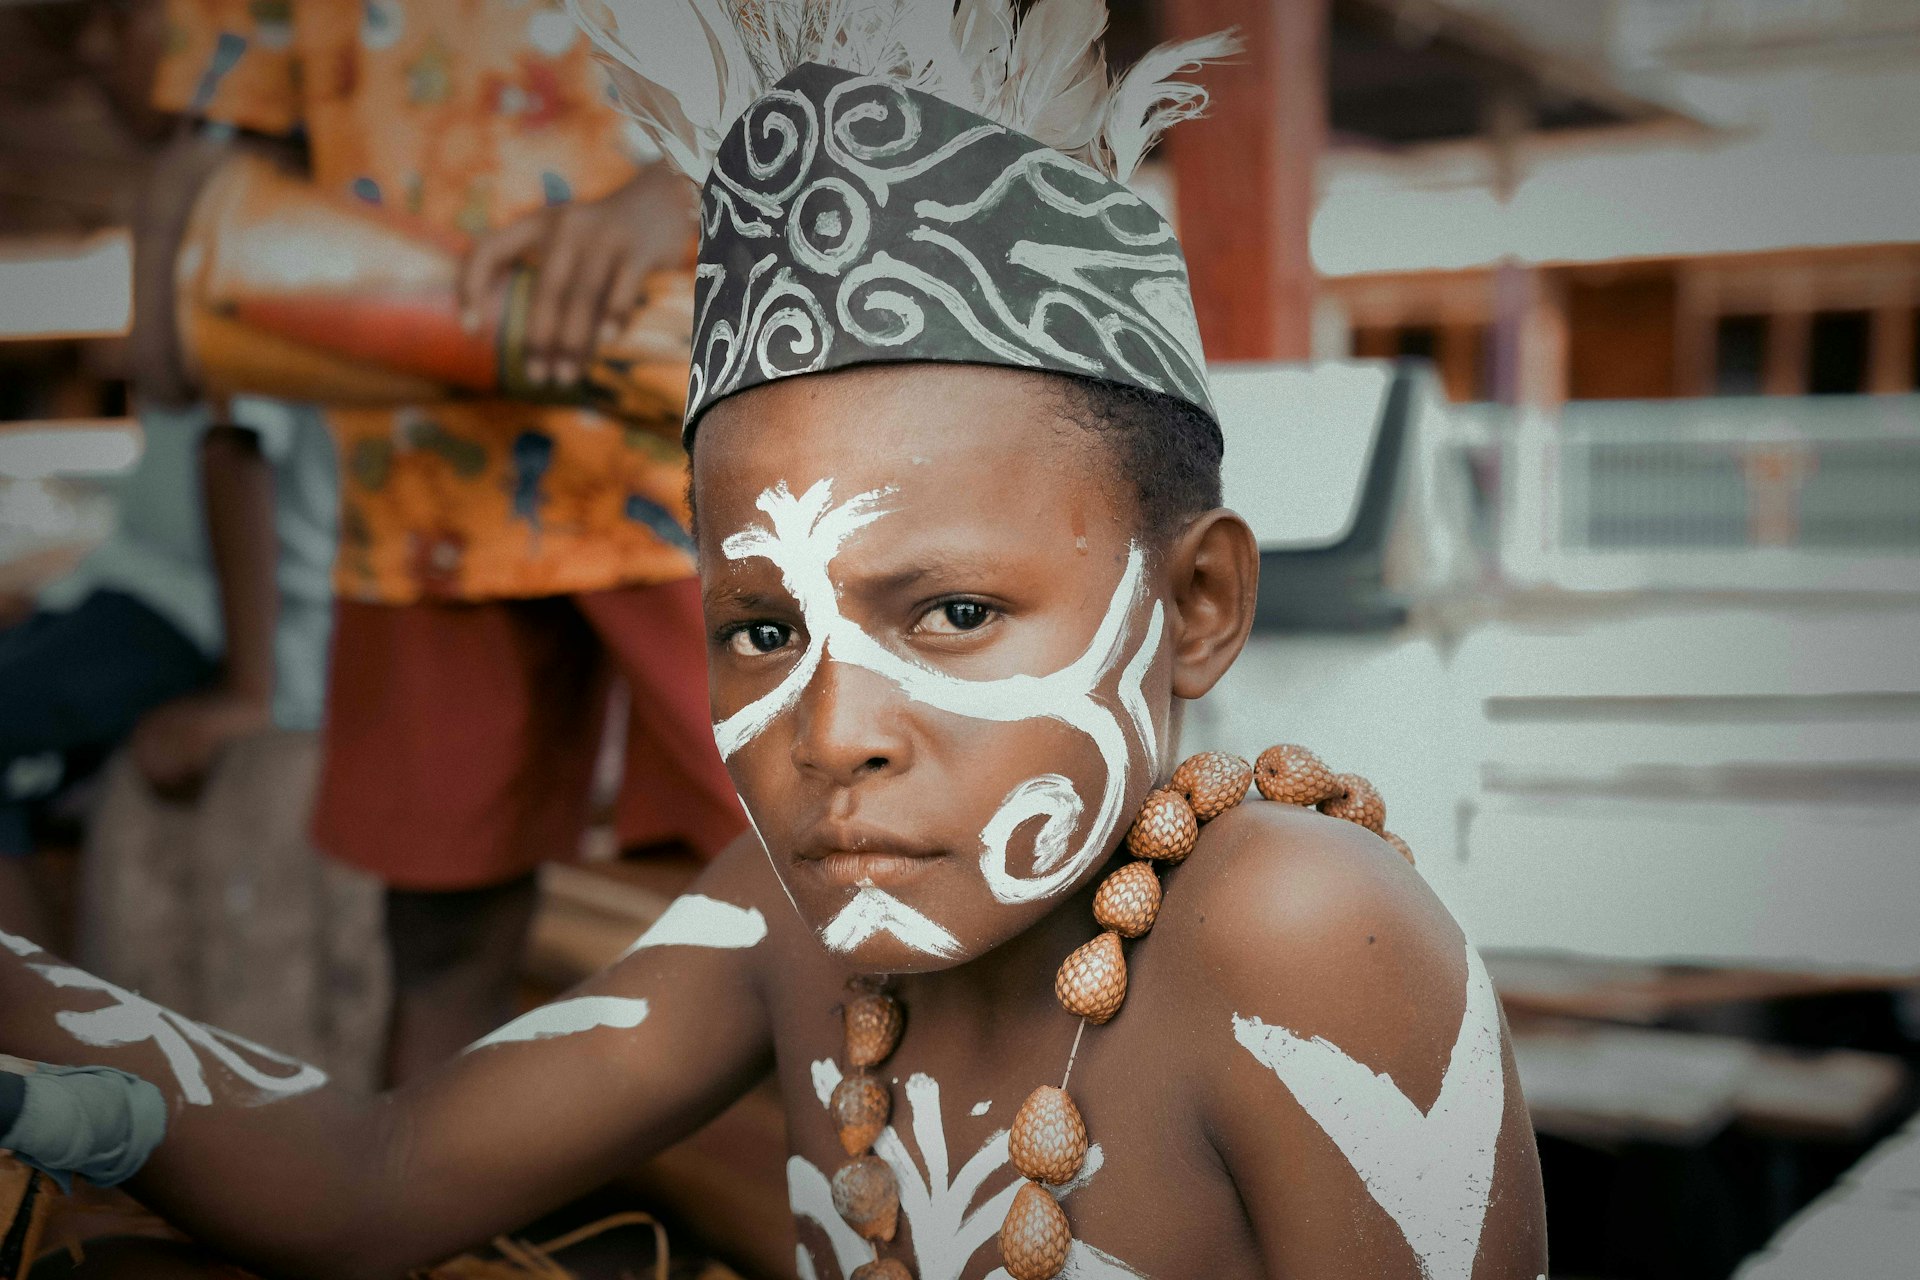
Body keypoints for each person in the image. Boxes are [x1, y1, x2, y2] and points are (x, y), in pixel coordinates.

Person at [0, 2, 1548, 1277]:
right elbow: (378, 1176)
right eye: (759, 627)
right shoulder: (781, 928)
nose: (833, 731)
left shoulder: (1305, 933)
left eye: (951, 612)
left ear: (1198, 605)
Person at [149, 0, 745, 1083]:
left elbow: (857, 59)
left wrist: (680, 192)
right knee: (439, 923)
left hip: (704, 448)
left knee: (800, 864)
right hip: (426, 480)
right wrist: (170, 294)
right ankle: (440, 1239)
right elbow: (234, 124)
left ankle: (888, 1222)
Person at [0, 394, 335, 943]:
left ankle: (39, 1010)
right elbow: (154, 369)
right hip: (129, 579)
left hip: (186, 609)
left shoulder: (238, 414)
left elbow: (233, 443)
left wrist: (251, 693)